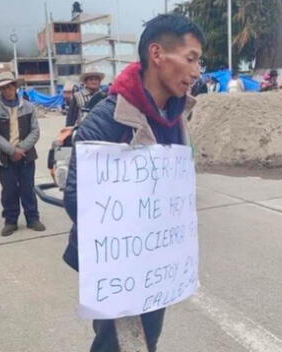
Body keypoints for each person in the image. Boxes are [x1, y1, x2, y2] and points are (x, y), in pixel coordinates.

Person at [62, 14, 204, 352]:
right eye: (191, 58)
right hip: (117, 268)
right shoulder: (107, 118)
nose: (197, 71)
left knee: (147, 338)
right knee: (116, 344)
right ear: (157, 54)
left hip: (156, 265)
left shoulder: (176, 114)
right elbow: (75, 196)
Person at [0, 71, 45, 236]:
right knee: (9, 190)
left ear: (15, 86)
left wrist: (22, 149)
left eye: (10, 86)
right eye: (3, 87)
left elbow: (35, 131)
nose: (7, 90)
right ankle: (11, 221)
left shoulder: (28, 106)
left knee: (28, 187)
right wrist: (12, 150)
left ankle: (32, 218)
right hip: (5, 157)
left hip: (26, 156)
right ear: (0, 89)